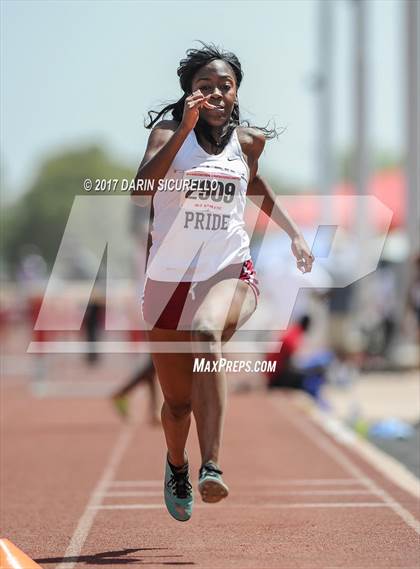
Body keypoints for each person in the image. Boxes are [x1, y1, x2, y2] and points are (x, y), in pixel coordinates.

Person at [132, 43, 314, 522]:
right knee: (176, 405)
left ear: (236, 92)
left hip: (227, 270)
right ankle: (177, 465)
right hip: (169, 280)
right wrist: (184, 131)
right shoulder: (168, 133)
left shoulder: (249, 142)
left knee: (207, 332)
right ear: (189, 93)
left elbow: (254, 183)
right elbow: (139, 191)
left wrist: (293, 233)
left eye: (224, 85)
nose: (216, 92)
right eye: (204, 86)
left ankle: (211, 465)